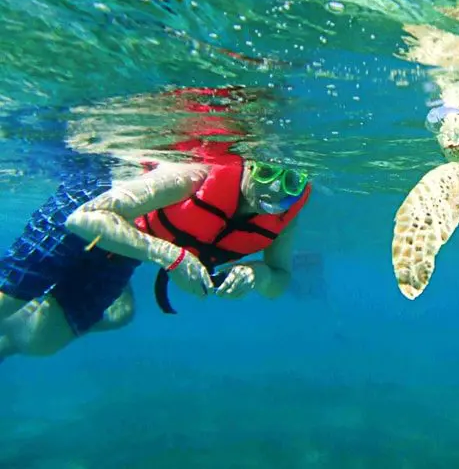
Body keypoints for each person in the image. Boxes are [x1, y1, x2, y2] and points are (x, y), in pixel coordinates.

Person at [0, 149, 312, 360]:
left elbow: (279, 282)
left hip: (127, 245)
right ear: (249, 163)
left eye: (290, 180)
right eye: (265, 172)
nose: (274, 190)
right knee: (6, 304)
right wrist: (172, 257)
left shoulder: (284, 216)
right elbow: (83, 218)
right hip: (95, 204)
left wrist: (258, 275)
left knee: (41, 340)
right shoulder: (194, 175)